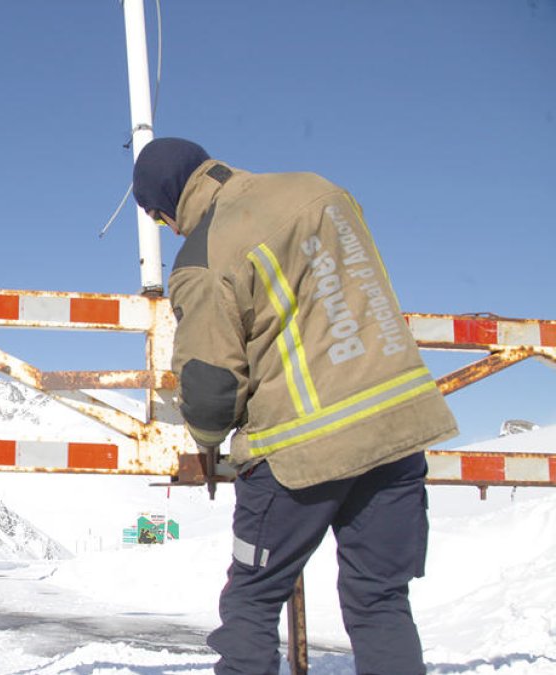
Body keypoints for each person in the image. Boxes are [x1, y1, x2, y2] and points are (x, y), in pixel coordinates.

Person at [132, 138, 458, 675]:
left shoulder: (205, 255)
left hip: (299, 453)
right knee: (381, 601)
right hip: (397, 427)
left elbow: (212, 387)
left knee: (252, 602)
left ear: (163, 210)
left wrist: (208, 443)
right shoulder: (319, 190)